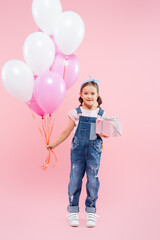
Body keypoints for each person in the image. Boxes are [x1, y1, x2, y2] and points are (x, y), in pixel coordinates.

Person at [46, 75, 109, 228]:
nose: (89, 96)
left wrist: (104, 133)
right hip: (78, 151)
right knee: (75, 180)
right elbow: (66, 131)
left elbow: (105, 134)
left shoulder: (101, 114)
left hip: (94, 151)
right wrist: (54, 143)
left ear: (97, 95)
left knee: (93, 180)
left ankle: (91, 212)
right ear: (80, 95)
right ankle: (73, 210)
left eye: (92, 93)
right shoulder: (76, 112)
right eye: (86, 93)